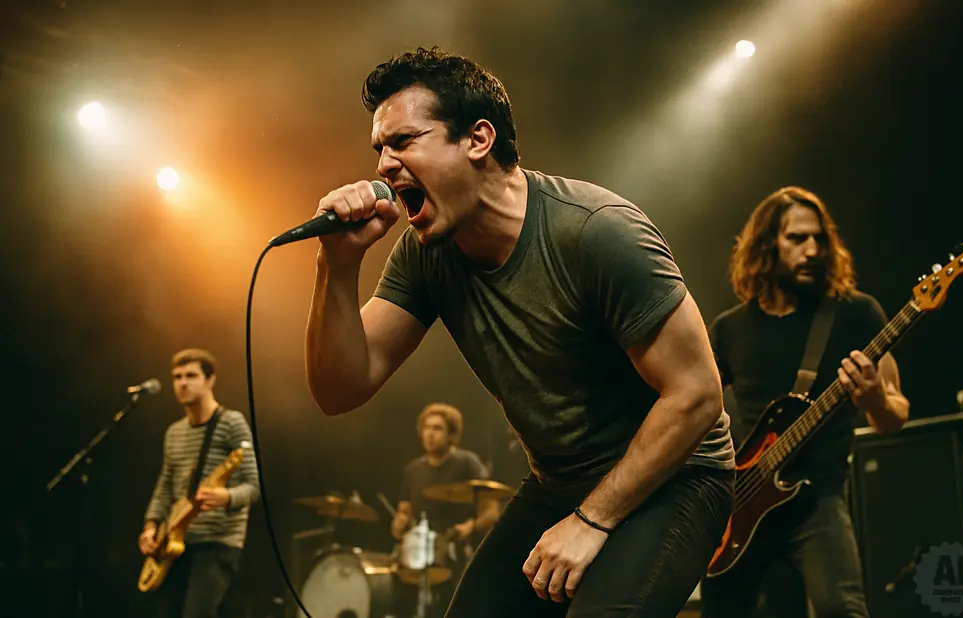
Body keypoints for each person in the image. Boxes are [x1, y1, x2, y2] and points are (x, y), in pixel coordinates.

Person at [303, 46, 736, 617]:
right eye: (379, 149)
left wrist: (591, 520)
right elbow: (340, 388)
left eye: (404, 141)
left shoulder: (596, 232)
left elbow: (698, 393)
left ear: (478, 140)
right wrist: (335, 265)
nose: (383, 165)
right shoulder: (425, 251)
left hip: (679, 476)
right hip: (561, 483)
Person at [700, 187, 910, 618]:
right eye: (797, 239)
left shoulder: (856, 314)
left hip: (818, 501)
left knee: (840, 608)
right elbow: (695, 413)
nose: (812, 250)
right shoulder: (729, 329)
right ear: (766, 245)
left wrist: (873, 397)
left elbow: (895, 415)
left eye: (820, 239)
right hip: (743, 505)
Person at [138, 349, 261, 618]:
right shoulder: (174, 432)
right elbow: (165, 486)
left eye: (191, 375)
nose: (183, 383)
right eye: (177, 377)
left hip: (217, 543)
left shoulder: (231, 423)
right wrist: (150, 527)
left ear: (210, 380)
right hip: (174, 544)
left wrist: (225, 497)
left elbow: (254, 485)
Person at [390, 402, 500, 617]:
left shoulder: (467, 462)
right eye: (426, 428)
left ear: (452, 434)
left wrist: (469, 527)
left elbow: (491, 512)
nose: (430, 434)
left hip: (457, 548)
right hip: (418, 552)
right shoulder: (413, 469)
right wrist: (398, 523)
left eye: (437, 428)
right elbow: (405, 510)